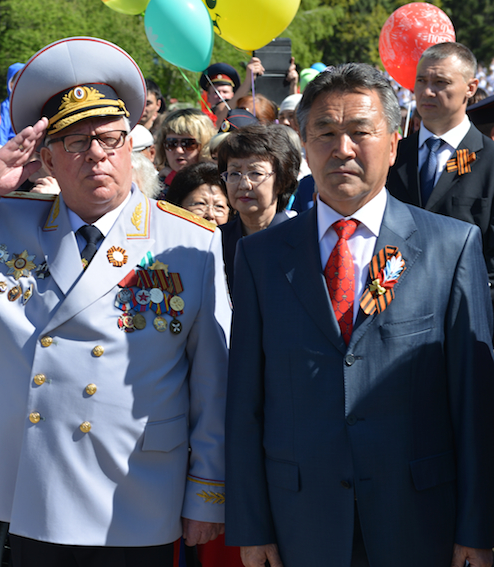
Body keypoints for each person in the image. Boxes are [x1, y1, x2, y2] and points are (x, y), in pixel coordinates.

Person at [0, 36, 231, 566]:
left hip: (135, 482)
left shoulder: (187, 240)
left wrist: (207, 488)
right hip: (31, 475)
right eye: (76, 142)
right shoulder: (3, 221)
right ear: (45, 157)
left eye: (111, 138)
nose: (97, 154)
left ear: (132, 147)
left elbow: (212, 377)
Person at [224, 62, 494, 567]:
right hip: (300, 521)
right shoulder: (260, 256)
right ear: (305, 145)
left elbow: (474, 401)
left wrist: (478, 527)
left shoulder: (451, 246)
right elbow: (244, 403)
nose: (342, 149)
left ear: (393, 144)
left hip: (419, 520)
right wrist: (251, 525)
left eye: (360, 132)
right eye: (325, 132)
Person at [386, 42, 494, 305]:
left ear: (470, 88)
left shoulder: (490, 161)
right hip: (396, 308)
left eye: (441, 82)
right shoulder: (391, 156)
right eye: (421, 81)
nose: (427, 91)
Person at [217, 123, 301, 291]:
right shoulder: (217, 241)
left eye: (255, 173)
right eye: (234, 173)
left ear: (281, 181)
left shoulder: (303, 239)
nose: (244, 184)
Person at [154, 108, 216, 194]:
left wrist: (174, 179)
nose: (179, 150)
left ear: (205, 145)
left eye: (188, 144)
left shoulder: (219, 182)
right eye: (171, 143)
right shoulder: (156, 186)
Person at [0, 63, 25, 146]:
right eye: (19, 81)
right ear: (11, 84)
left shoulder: (27, 104)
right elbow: (2, 133)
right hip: (12, 148)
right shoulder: (6, 106)